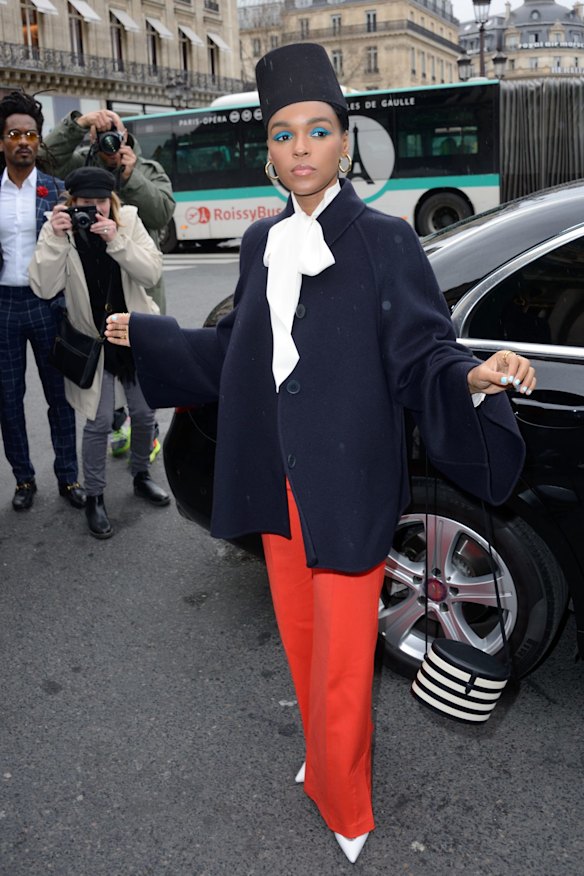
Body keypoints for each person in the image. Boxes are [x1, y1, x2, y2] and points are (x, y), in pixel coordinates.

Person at [105, 44, 536, 863]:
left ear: (345, 141)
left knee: (344, 657)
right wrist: (154, 335)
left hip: (347, 480)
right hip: (276, 475)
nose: (299, 146)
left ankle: (345, 797)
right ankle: (323, 758)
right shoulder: (262, 244)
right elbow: (238, 354)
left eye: (316, 130)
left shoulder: (386, 242)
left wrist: (473, 375)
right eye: (281, 133)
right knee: (303, 641)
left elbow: (420, 352)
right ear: (268, 151)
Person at [29, 167, 170, 539]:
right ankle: (94, 496)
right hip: (93, 341)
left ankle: (140, 475)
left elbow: (152, 273)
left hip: (133, 333)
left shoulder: (129, 222)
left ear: (113, 201)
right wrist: (57, 240)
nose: (94, 211)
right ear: (71, 203)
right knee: (99, 419)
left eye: (101, 202)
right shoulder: (57, 230)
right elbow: (43, 287)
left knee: (143, 412)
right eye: (85, 204)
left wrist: (117, 241)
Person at [42, 109, 175, 462]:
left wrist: (130, 175)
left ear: (127, 135)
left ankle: (144, 442)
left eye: (114, 133)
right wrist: (78, 124)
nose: (109, 141)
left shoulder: (146, 169)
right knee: (100, 388)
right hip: (91, 290)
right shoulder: (78, 166)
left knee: (141, 386)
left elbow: (161, 214)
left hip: (136, 287)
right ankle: (118, 426)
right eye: (102, 135)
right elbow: (44, 157)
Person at [0, 90, 85, 512]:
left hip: (47, 304)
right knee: (8, 398)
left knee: (59, 396)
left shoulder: (56, 190)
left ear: (37, 142)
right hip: (3, 306)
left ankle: (68, 478)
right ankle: (23, 478)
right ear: (2, 141)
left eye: (30, 135)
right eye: (14, 133)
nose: (23, 141)